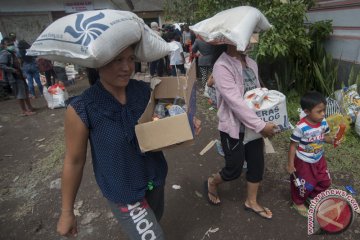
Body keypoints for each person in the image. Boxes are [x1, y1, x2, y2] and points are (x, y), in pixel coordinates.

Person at [56, 45, 201, 239]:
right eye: (118, 60)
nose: (127, 67)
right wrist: (67, 212)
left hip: (155, 179)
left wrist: (185, 125)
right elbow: (74, 161)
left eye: (131, 59)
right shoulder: (82, 108)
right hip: (123, 190)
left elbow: (160, 128)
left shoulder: (144, 92)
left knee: (155, 219)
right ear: (98, 63)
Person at [204, 39, 278, 220]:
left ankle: (251, 201)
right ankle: (212, 182)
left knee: (257, 164)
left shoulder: (251, 62)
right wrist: (261, 126)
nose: (252, 40)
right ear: (231, 39)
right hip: (233, 127)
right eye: (247, 36)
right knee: (234, 169)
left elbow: (258, 92)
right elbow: (235, 103)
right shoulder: (222, 66)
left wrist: (272, 112)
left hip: (254, 126)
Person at [287, 91, 336, 217]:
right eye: (319, 111)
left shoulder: (323, 122)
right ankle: (298, 202)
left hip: (319, 159)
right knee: (304, 185)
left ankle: (312, 196)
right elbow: (293, 145)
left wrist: (333, 140)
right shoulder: (301, 127)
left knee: (325, 181)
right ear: (307, 112)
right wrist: (290, 163)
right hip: (304, 162)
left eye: (324, 110)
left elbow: (324, 137)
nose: (323, 114)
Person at [0, 37, 35, 116]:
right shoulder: (5, 53)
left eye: (12, 44)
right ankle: (24, 111)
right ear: (4, 45)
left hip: (20, 76)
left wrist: (22, 73)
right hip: (14, 77)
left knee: (26, 92)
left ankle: (30, 107)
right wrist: (13, 70)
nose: (11, 45)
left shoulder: (13, 53)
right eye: (9, 44)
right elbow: (1, 65)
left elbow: (18, 63)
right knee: (20, 94)